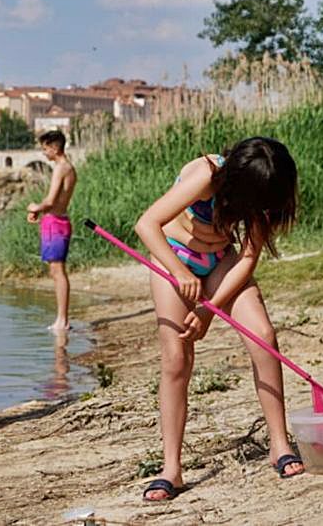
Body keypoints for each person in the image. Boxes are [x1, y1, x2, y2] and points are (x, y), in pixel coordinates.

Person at [132, 137, 303, 502]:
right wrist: (180, 274)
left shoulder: (262, 188)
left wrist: (211, 309)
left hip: (220, 260)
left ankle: (279, 444)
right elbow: (146, 225)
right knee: (177, 358)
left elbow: (247, 258)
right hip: (174, 257)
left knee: (263, 335)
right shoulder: (207, 175)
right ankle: (171, 469)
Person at [27, 129, 77, 332]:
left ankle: (62, 320)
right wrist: (41, 211)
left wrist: (34, 207)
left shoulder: (61, 168)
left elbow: (50, 200)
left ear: (55, 148)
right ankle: (61, 318)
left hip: (55, 224)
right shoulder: (69, 168)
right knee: (56, 271)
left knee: (58, 271)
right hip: (57, 221)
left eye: (45, 148)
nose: (44, 153)